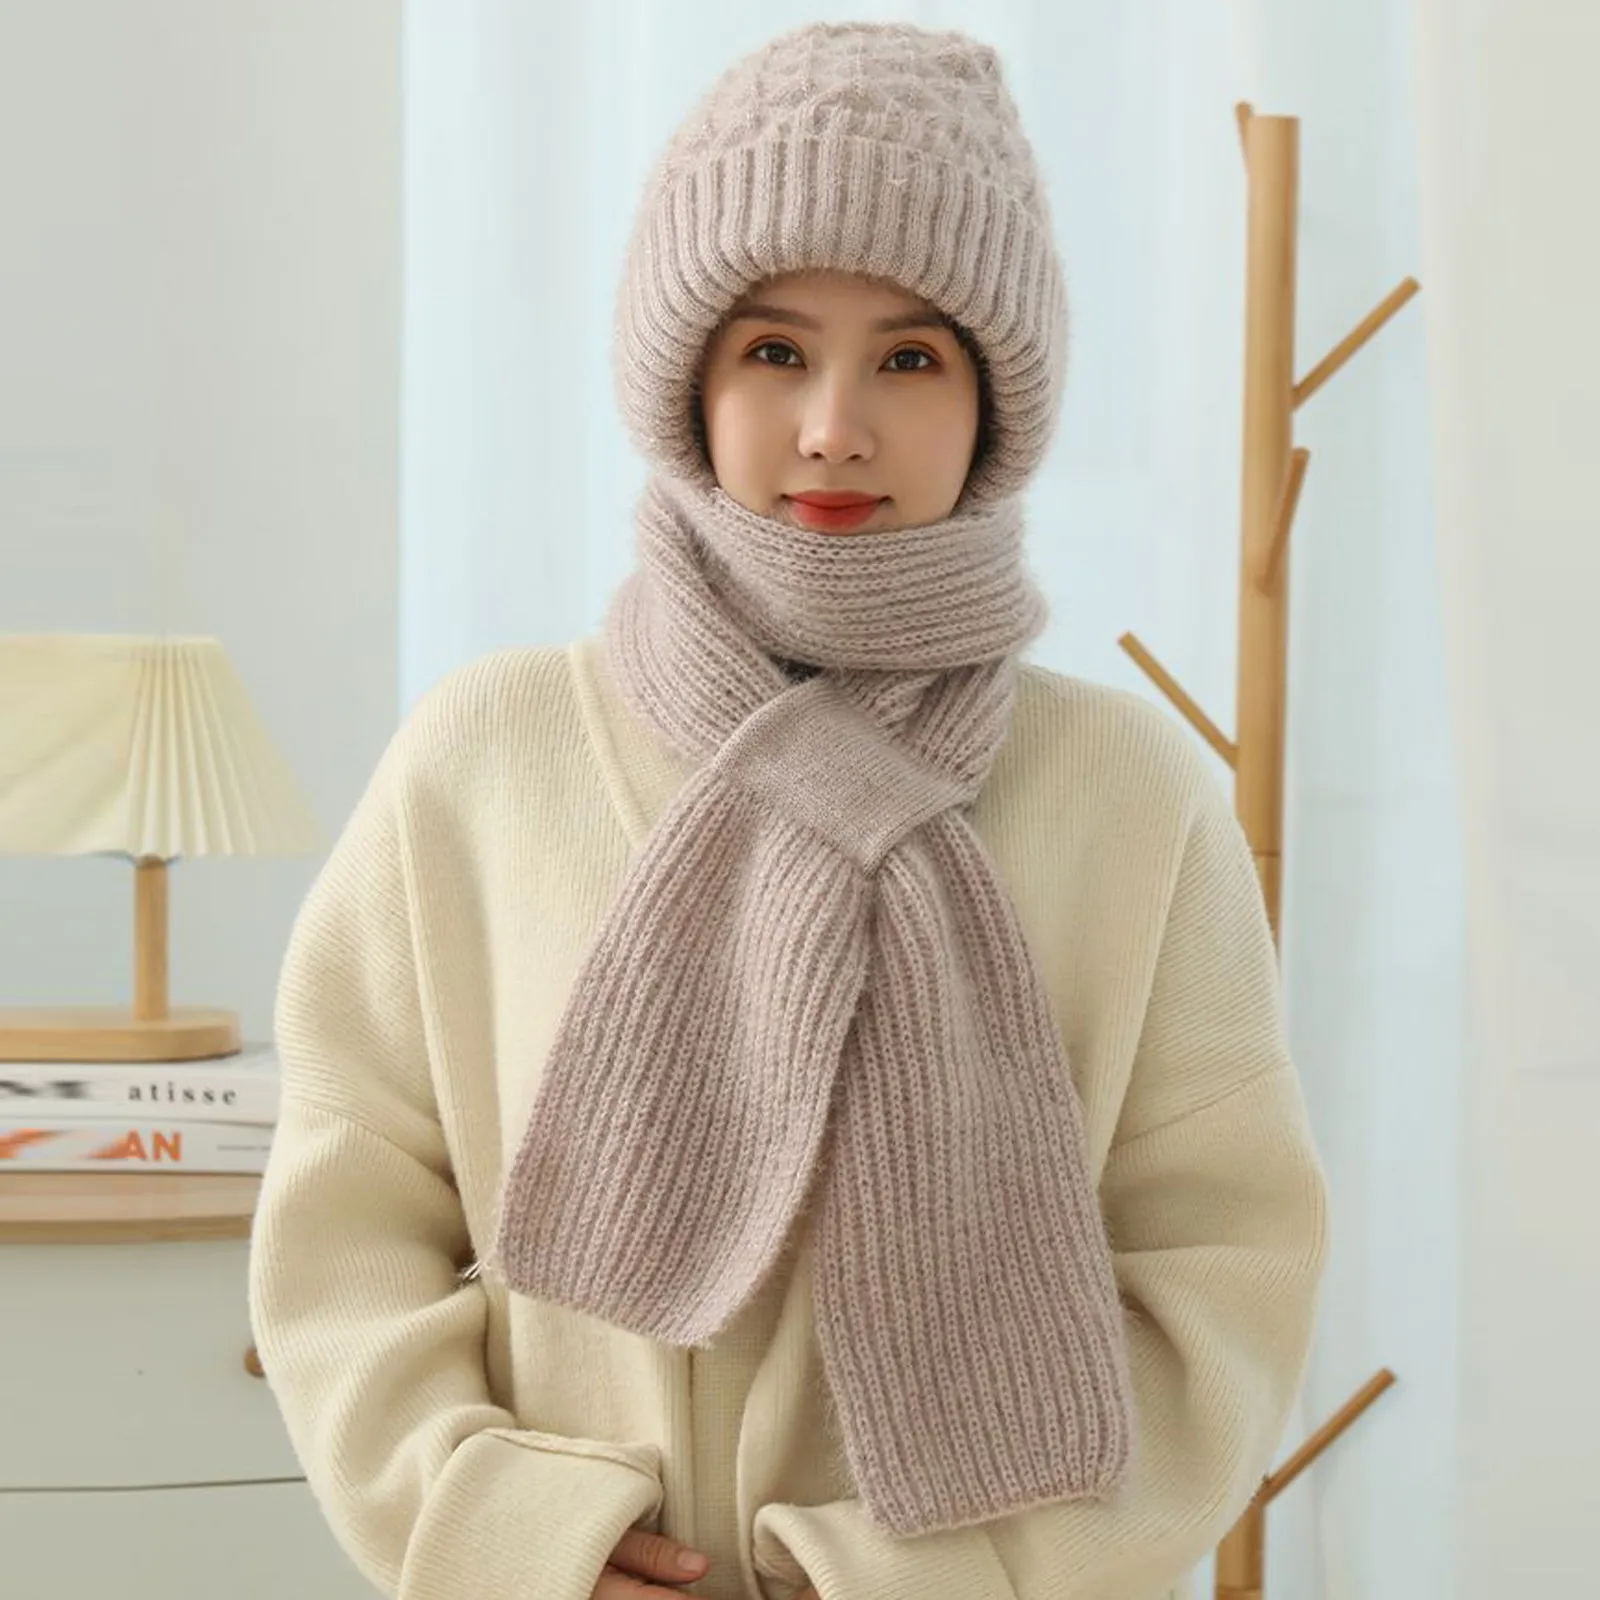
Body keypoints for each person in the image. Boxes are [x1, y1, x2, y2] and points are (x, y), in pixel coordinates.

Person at [247, 20, 1329, 1600]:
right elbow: (347, 1208)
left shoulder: (1131, 794)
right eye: (772, 352)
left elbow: (1222, 1277)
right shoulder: (487, 755)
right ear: (686, 383)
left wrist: (921, 1576)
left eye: (908, 356)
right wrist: (503, 1531)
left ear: (994, 402)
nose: (834, 425)